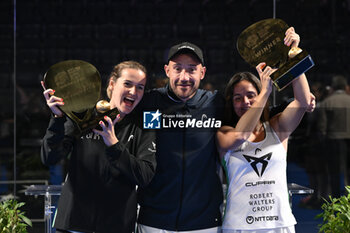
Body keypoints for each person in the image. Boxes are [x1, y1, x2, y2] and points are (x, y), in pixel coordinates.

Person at [41, 61, 157, 233]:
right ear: (112, 83)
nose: (133, 91)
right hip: (73, 224)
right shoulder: (84, 115)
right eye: (127, 84)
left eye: (140, 87)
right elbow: (50, 157)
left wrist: (114, 145)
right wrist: (57, 119)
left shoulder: (144, 126)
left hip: (116, 226)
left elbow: (145, 176)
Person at [216, 27, 311, 232]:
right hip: (239, 226)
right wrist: (264, 92)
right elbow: (241, 135)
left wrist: (293, 55)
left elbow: (302, 102)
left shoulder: (277, 127)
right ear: (230, 103)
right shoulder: (224, 133)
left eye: (251, 95)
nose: (246, 101)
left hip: (280, 225)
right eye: (238, 98)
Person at [136, 42, 224, 232]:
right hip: (153, 222)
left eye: (192, 70)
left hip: (204, 223)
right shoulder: (149, 102)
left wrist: (301, 101)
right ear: (167, 70)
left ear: (202, 72)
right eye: (178, 69)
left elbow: (260, 113)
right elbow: (115, 107)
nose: (184, 77)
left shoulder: (216, 104)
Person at [318, 74, 350, 198]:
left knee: (334, 172)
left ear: (333, 87)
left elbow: (322, 127)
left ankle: (335, 199)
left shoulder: (327, 102)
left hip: (333, 142)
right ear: (345, 86)